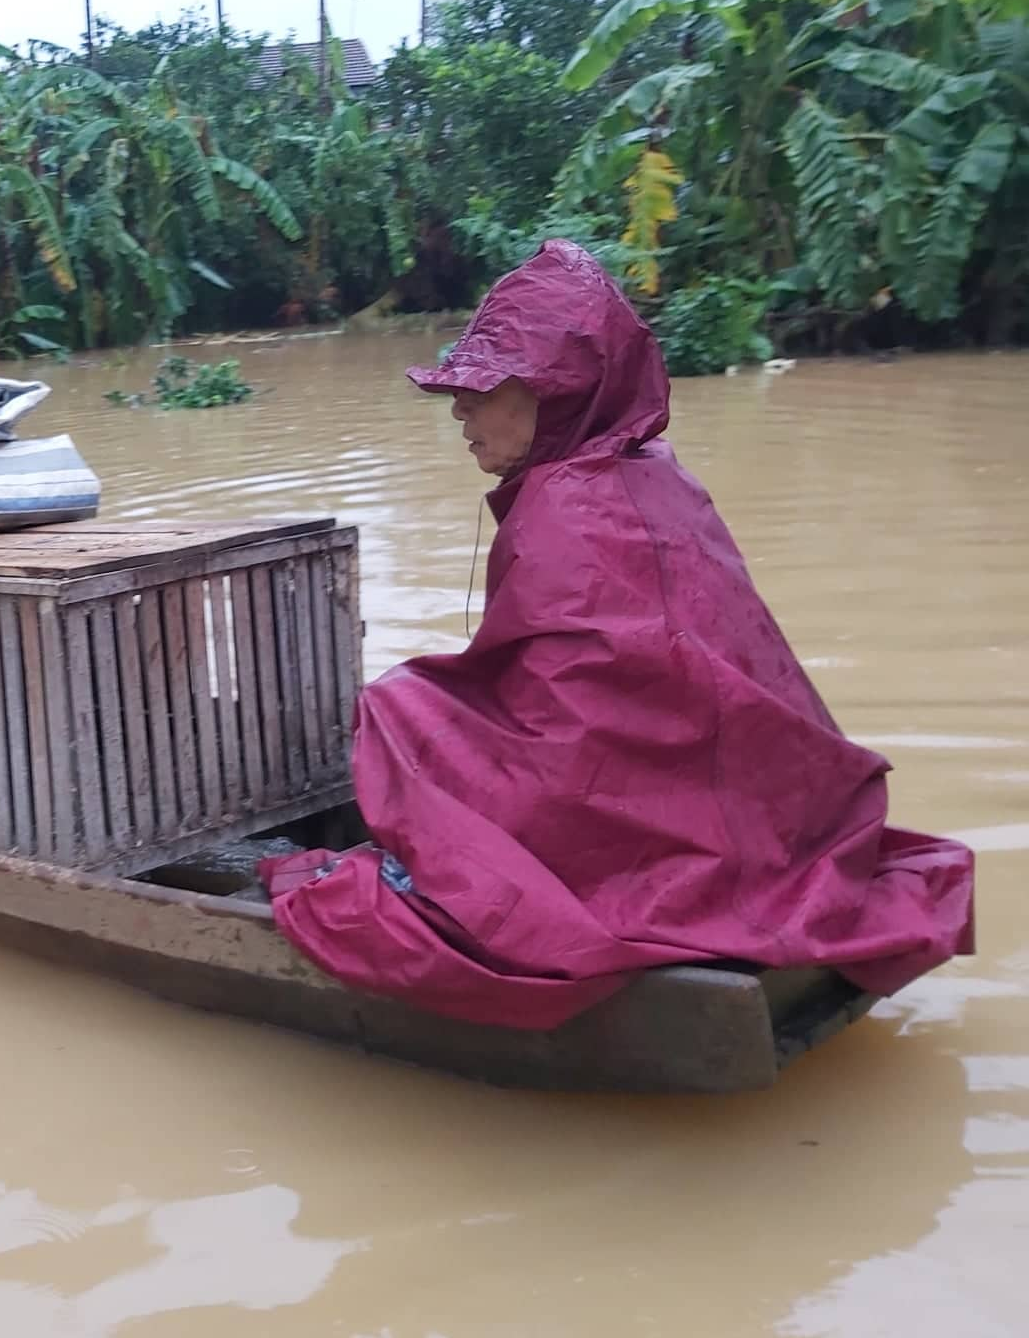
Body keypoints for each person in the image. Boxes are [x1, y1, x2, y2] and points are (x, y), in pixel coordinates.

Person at [261, 240, 974, 1030]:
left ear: (555, 395)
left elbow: (570, 717)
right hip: (738, 770)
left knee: (398, 708)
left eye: (483, 390)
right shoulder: (656, 472)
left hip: (629, 774)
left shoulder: (559, 510)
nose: (460, 410)